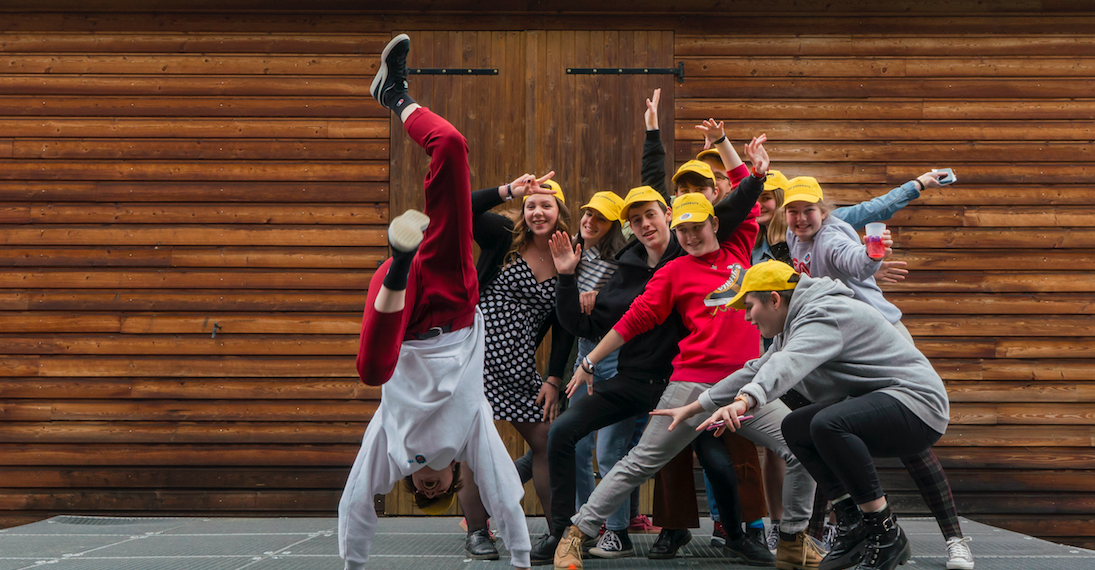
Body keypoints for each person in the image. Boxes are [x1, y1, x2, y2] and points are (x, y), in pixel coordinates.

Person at [541, 90, 766, 567]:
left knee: (724, 461)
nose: (649, 225)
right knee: (571, 437)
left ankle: (747, 535)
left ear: (673, 215)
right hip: (643, 381)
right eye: (636, 220)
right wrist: (567, 284)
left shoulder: (709, 247)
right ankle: (566, 532)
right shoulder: (630, 269)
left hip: (702, 381)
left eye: (655, 216)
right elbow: (604, 321)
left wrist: (672, 136)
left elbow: (735, 194)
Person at [338, 33, 531, 570]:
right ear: (452, 480)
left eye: (419, 487)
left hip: (400, 321)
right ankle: (395, 95)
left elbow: (355, 501)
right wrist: (519, 560)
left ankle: (400, 257)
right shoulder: (473, 435)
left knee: (373, 372)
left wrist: (352, 565)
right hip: (452, 303)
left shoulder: (392, 449)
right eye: (434, 486)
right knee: (451, 146)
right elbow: (504, 497)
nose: (427, 481)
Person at [652, 260, 953, 570]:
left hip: (918, 405)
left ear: (774, 298)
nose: (746, 317)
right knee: (796, 426)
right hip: (886, 406)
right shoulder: (794, 324)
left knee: (826, 423)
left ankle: (884, 532)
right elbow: (756, 369)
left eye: (749, 306)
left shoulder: (823, 315)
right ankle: (853, 525)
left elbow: (787, 365)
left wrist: (743, 402)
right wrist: (699, 404)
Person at [782, 178, 974, 570]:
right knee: (819, 430)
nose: (801, 218)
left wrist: (871, 259)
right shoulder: (787, 234)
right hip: (834, 344)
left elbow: (855, 252)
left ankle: (954, 538)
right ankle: (836, 530)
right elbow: (872, 209)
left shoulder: (832, 232)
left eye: (809, 210)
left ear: (823, 209)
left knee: (910, 444)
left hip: (876, 340)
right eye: (793, 210)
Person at [471, 164, 576, 539]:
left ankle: (557, 532)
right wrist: (506, 190)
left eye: (545, 205)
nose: (537, 212)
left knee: (545, 439)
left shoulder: (568, 252)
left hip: (518, 364)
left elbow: (566, 324)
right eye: (531, 205)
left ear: (559, 212)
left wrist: (553, 377)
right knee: (476, 441)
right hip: (475, 354)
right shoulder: (504, 236)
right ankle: (477, 533)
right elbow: (459, 210)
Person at [550, 191, 649, 559]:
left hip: (614, 358)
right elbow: (567, 313)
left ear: (614, 227)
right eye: (588, 212)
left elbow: (626, 304)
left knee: (610, 452)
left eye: (601, 218)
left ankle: (617, 530)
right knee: (575, 445)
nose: (589, 221)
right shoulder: (574, 251)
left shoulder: (624, 260)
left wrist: (599, 294)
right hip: (583, 354)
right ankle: (585, 524)